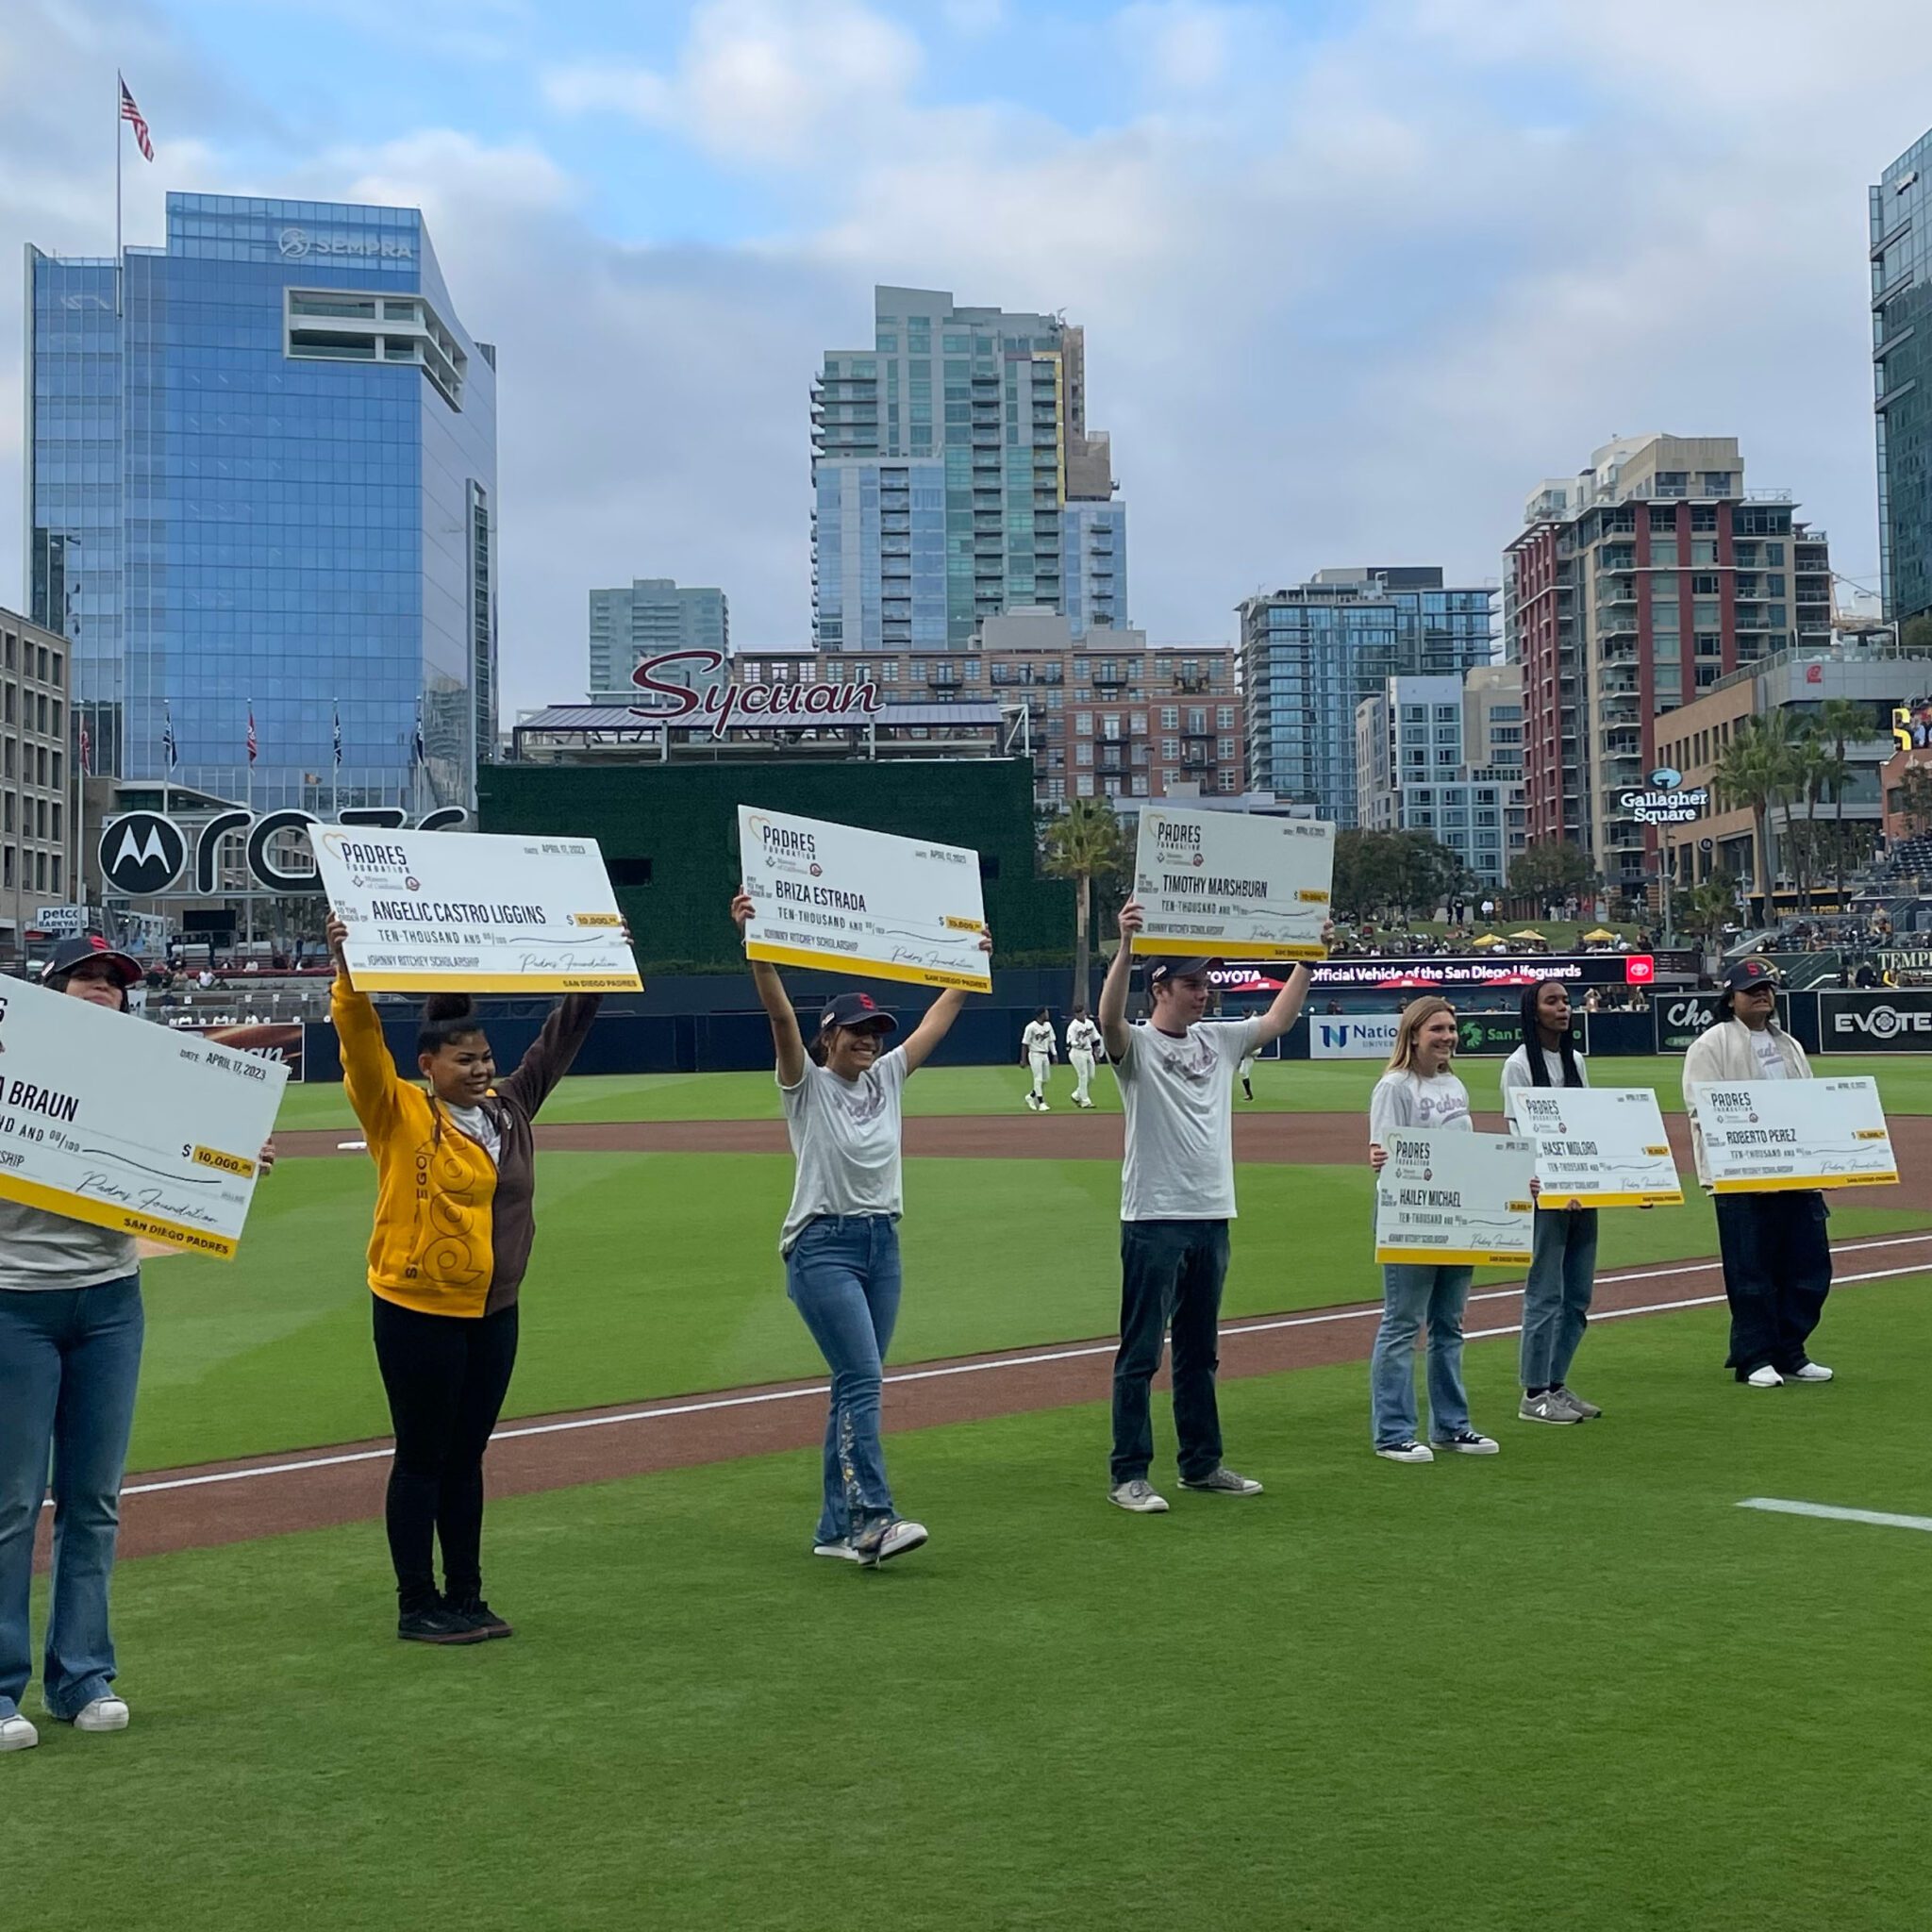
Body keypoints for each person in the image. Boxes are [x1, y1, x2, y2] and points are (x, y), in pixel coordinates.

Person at [1, 936, 276, 1753]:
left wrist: (234, 1164)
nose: (102, 991)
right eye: (86, 978)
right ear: (49, 992)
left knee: (93, 1500)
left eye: (115, 983)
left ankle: (83, 1675)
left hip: (111, 1301)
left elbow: (197, 1163)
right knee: (12, 1504)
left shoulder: (151, 1078)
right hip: (13, 1300)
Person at [326, 911, 604, 1644]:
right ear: (428, 1066)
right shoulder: (398, 1112)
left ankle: (468, 1594)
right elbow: (359, 1045)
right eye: (463, 1060)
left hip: (494, 1310)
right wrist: (348, 975)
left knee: (468, 1456)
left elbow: (558, 1043)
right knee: (422, 1458)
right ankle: (417, 1603)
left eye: (484, 1057)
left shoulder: (510, 1111)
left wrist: (598, 967)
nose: (480, 1068)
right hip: (417, 1307)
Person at [733, 891, 991, 1567]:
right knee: (863, 1379)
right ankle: (874, 1517)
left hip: (883, 1245)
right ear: (830, 1038)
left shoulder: (889, 1080)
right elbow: (781, 1019)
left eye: (876, 1030)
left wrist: (967, 966)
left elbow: (937, 1022)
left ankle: (832, 1530)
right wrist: (756, 945)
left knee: (854, 1383)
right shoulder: (807, 1085)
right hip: (822, 1247)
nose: (869, 1040)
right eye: (857, 1031)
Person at [1097, 903, 1325, 1514]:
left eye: (1208, 983)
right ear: (1161, 987)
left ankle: (1201, 1463)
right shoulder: (1138, 1049)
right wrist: (1125, 946)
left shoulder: (1219, 1041)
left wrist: (1307, 960)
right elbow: (1108, 1018)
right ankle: (1129, 1474)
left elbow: (1277, 1019)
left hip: (1211, 1216)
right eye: (1193, 983)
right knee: (1141, 1353)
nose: (1204, 993)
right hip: (1152, 1220)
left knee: (1200, 1351)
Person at [1681, 958, 1834, 1389]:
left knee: (1809, 1267)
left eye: (1766, 987)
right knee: (1751, 1271)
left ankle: (1791, 1348)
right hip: (1741, 1174)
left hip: (1796, 1171)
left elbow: (1810, 1104)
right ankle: (1754, 1356)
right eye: (1752, 989)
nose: (1762, 994)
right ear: (1731, 998)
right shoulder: (1711, 1045)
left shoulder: (1790, 1044)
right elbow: (1700, 1106)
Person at [1365, 997, 1499, 1463]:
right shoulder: (1395, 1086)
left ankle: (1451, 1425)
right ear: (1413, 1034)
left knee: (1450, 1324)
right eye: (1436, 1029)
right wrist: (1381, 1157)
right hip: (1411, 1217)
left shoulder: (1453, 1084)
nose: (1446, 1037)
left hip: (1458, 1214)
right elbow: (1387, 1156)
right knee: (1403, 1323)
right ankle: (1393, 1432)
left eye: (1451, 1028)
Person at [1501, 981, 1603, 1425]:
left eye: (1565, 1001)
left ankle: (1557, 1384)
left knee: (1577, 1295)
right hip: (1546, 1195)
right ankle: (1534, 1392)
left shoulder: (1575, 1060)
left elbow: (1587, 1127)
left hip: (1584, 1193)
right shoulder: (1518, 1065)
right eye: (1552, 1002)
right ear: (1534, 1011)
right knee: (1545, 1293)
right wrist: (1558, 1185)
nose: (1563, 1008)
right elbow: (1521, 1136)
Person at [1065, 1006, 1101, 1109]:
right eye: (1078, 1013)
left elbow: (1096, 1038)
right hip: (1077, 1053)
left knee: (1091, 1076)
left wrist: (1096, 1053)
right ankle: (1085, 1101)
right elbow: (1070, 1041)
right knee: (1083, 1075)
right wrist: (1077, 1044)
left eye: (1081, 1012)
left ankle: (1076, 1095)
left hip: (1088, 1052)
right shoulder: (1073, 1026)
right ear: (1075, 1015)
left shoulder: (1090, 1023)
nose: (1080, 1014)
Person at [1021, 1008, 1057, 1112]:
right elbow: (1025, 1043)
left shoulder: (1048, 1026)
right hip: (1035, 1054)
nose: (1048, 1014)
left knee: (1046, 1079)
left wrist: (1054, 1054)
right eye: (1046, 1013)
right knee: (1038, 1078)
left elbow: (1051, 1041)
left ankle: (1031, 1096)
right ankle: (1041, 1103)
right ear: (1040, 1015)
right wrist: (1023, 1059)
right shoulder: (1031, 1027)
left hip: (1045, 1054)